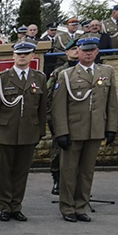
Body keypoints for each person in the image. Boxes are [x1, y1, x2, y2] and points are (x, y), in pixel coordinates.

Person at [51, 38, 118, 222]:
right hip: (74, 129)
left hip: (96, 129)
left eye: (92, 50)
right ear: (78, 52)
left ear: (97, 52)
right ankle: (67, 207)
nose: (88, 53)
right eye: (84, 50)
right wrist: (61, 132)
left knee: (87, 172)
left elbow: (112, 104)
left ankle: (81, 207)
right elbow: (58, 107)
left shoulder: (107, 72)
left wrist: (111, 127)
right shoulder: (67, 75)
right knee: (69, 171)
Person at [0, 42, 48, 222]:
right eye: (19, 54)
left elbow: (42, 108)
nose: (22, 56)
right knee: (5, 172)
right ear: (13, 56)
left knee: (22, 172)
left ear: (32, 56)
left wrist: (40, 131)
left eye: (26, 54)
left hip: (29, 131)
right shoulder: (1, 78)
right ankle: (5, 206)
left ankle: (16, 206)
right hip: (6, 131)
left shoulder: (40, 78)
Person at [46, 39, 80, 195]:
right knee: (58, 151)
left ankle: (76, 183)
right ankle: (57, 180)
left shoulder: (86, 71)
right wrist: (51, 120)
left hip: (80, 119)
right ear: (66, 52)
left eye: (79, 48)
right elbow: (48, 96)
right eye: (73, 49)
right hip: (61, 118)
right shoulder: (59, 72)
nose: (76, 51)